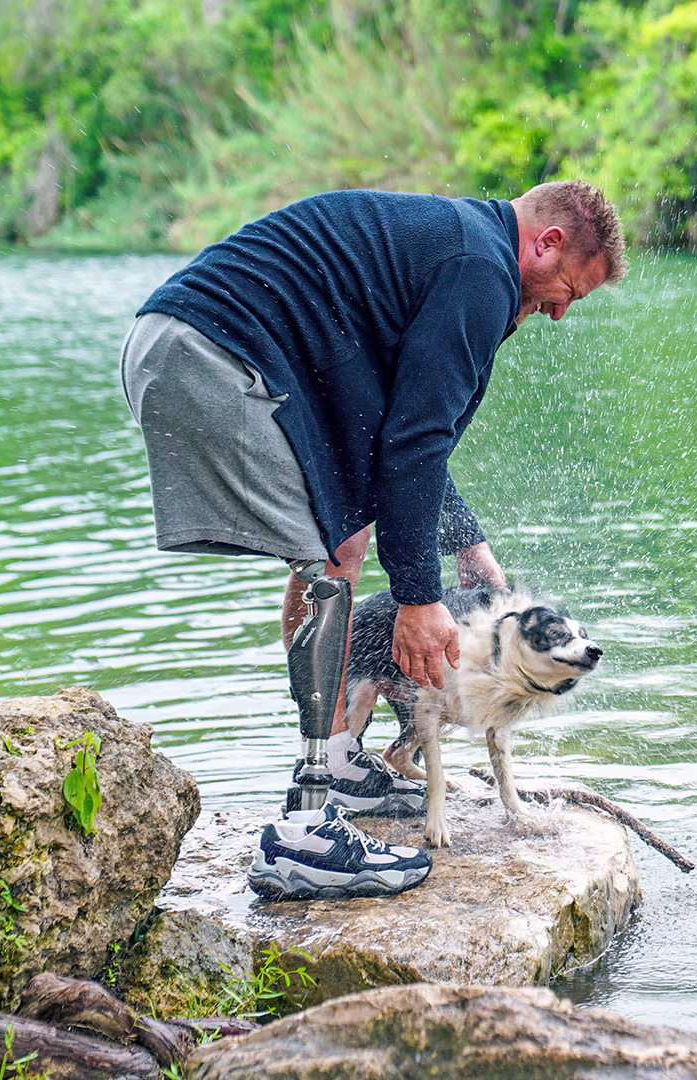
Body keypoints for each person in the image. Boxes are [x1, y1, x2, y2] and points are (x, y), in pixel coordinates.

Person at [120, 181, 626, 900]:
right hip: (210, 357)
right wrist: (419, 598)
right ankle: (303, 829)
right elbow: (413, 440)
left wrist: (465, 541)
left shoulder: (465, 250)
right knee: (333, 554)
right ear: (545, 242)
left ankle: (338, 767)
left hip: (190, 346)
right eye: (568, 288)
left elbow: (395, 432)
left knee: (347, 538)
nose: (561, 311)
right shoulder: (480, 269)